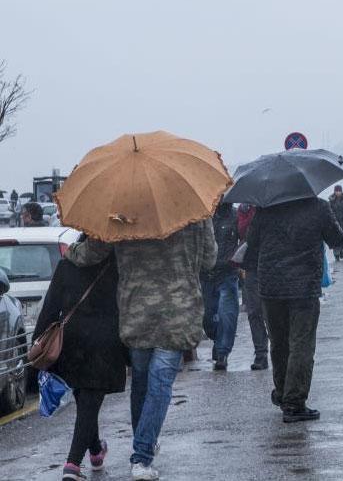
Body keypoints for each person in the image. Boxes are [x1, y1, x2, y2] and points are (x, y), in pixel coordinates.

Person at [65, 220, 216, 480]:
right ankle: (142, 456)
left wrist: (69, 252)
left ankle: (143, 443)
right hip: (178, 313)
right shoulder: (195, 212)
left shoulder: (124, 212)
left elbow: (94, 251)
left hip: (136, 312)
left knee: (143, 383)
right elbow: (209, 259)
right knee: (160, 385)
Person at [33, 240, 127, 481]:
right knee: (89, 402)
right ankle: (72, 465)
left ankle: (95, 451)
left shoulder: (67, 265)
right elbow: (127, 306)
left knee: (86, 400)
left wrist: (38, 343)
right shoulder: (118, 264)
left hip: (72, 342)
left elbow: (50, 307)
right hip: (105, 342)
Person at [246, 197, 343, 423]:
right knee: (301, 344)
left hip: (271, 285)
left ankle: (282, 393)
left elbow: (252, 242)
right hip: (304, 287)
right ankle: (294, 402)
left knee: (279, 342)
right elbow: (338, 239)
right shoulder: (319, 207)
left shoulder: (266, 207)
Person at [201, 203, 241, 371]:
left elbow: (245, 238)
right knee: (207, 318)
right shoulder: (203, 216)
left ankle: (222, 353)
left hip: (227, 273)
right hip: (206, 274)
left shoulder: (235, 215)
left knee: (227, 314)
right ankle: (217, 340)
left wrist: (237, 260)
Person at [238, 204, 268, 370]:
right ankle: (261, 354)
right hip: (252, 266)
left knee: (271, 312)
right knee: (254, 312)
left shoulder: (275, 207)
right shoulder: (245, 210)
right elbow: (243, 233)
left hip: (272, 265)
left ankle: (279, 351)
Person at [328, 185, 343, 260]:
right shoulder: (331, 200)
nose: (338, 192)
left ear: (341, 191)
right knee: (335, 238)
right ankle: (336, 254)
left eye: (339, 191)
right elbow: (328, 211)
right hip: (334, 222)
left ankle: (341, 249)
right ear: (334, 191)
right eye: (336, 191)